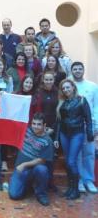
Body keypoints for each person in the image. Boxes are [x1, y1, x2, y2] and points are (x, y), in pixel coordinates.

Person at [56, 79, 93, 200]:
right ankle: (70, 188)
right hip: (64, 134)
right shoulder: (62, 102)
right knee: (68, 161)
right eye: (63, 88)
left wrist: (89, 133)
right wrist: (56, 137)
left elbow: (88, 118)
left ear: (73, 87)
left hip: (77, 133)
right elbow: (59, 121)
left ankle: (76, 189)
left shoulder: (82, 100)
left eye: (68, 87)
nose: (66, 90)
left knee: (72, 161)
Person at [9, 113, 54, 206]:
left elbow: (42, 160)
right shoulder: (26, 130)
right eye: (34, 123)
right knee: (14, 195)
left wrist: (24, 165)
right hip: (21, 170)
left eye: (39, 124)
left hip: (33, 169)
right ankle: (28, 185)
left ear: (44, 125)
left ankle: (41, 194)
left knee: (42, 169)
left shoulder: (47, 141)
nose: (35, 127)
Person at [71, 62, 98, 193]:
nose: (77, 71)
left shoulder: (93, 87)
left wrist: (96, 125)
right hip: (75, 126)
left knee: (89, 153)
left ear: (83, 70)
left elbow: (96, 107)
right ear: (71, 71)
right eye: (75, 69)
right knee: (77, 154)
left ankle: (89, 180)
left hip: (90, 125)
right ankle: (80, 180)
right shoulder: (69, 86)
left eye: (79, 68)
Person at [32, 71, 59, 191]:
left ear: (54, 80)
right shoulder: (38, 92)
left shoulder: (58, 92)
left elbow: (59, 112)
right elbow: (37, 111)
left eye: (50, 79)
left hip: (53, 128)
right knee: (38, 156)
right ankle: (37, 182)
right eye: (46, 79)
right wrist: (42, 128)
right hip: (40, 128)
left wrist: (52, 128)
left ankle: (50, 182)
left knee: (50, 158)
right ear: (43, 80)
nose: (48, 81)